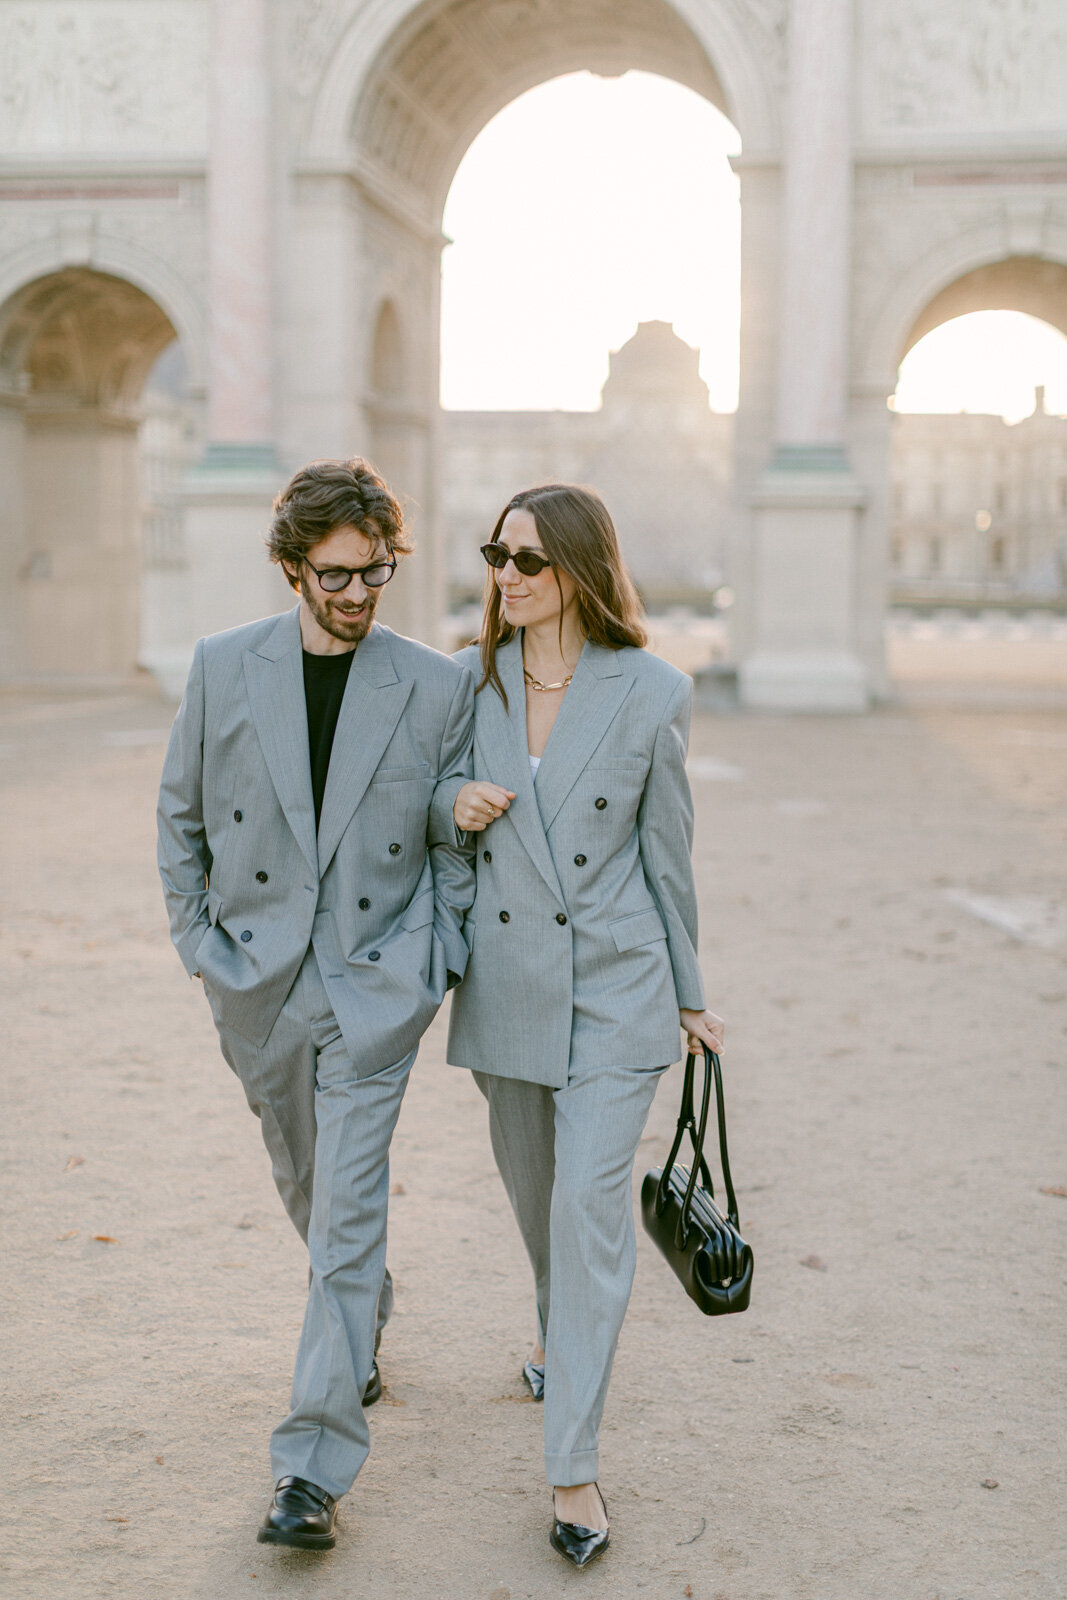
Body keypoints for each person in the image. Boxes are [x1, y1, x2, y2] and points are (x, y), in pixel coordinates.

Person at [157, 458, 474, 1551]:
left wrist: (433, 958)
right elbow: (180, 816)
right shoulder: (222, 665)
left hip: (375, 989)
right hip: (256, 980)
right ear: (292, 566)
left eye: (374, 572)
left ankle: (311, 1467)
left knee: (344, 1213)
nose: (356, 594)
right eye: (334, 575)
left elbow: (448, 844)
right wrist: (200, 947)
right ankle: (362, 1312)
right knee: (304, 1181)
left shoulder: (433, 683)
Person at [446, 483, 724, 1568]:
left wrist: (687, 994)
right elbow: (413, 806)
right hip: (507, 984)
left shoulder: (653, 690)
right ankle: (551, 1336)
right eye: (496, 556)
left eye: (526, 559)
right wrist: (449, 805)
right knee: (540, 1212)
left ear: (577, 568)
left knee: (587, 1213)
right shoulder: (466, 682)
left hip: (618, 986)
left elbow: (668, 854)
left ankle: (572, 1467)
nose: (505, 576)